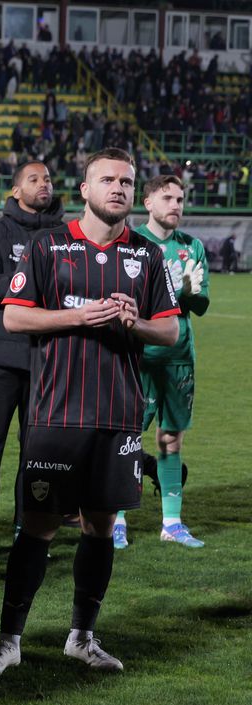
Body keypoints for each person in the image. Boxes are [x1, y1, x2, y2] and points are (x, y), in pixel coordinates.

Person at [0, 148, 181, 679]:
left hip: (119, 414)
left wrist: (135, 323)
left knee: (101, 525)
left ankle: (82, 637)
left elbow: (171, 331)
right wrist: (77, 315)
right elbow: (15, 319)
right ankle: (9, 641)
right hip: (56, 414)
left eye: (127, 181)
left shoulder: (147, 256)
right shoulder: (49, 246)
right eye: (107, 180)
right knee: (38, 526)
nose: (118, 188)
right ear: (85, 189)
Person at [0, 161, 64, 564]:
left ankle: (27, 532)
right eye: (35, 179)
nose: (44, 184)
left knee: (36, 452)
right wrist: (34, 284)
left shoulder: (62, 236)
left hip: (46, 357)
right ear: (17, 190)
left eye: (48, 178)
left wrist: (21, 285)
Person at [113, 175, 209, 549]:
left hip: (178, 359)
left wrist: (189, 292)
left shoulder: (193, 247)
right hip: (137, 357)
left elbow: (201, 306)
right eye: (167, 197)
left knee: (171, 439)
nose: (176, 205)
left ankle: (172, 523)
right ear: (148, 202)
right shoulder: (132, 244)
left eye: (181, 199)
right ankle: (117, 519)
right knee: (126, 438)